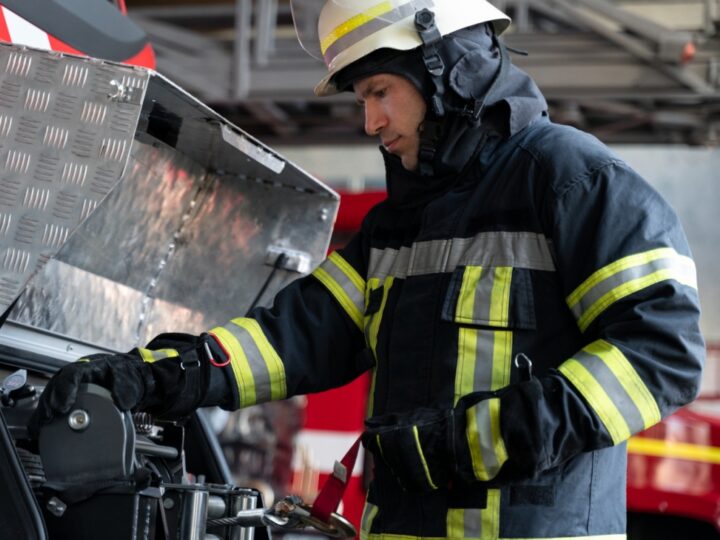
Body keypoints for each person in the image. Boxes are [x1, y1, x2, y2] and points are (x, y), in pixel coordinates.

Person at [33, 1, 705, 538]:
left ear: (446, 67)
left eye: (379, 90)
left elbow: (661, 350)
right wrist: (153, 375)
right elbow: (293, 335)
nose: (370, 119)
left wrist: (476, 442)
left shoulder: (570, 181)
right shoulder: (401, 222)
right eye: (362, 98)